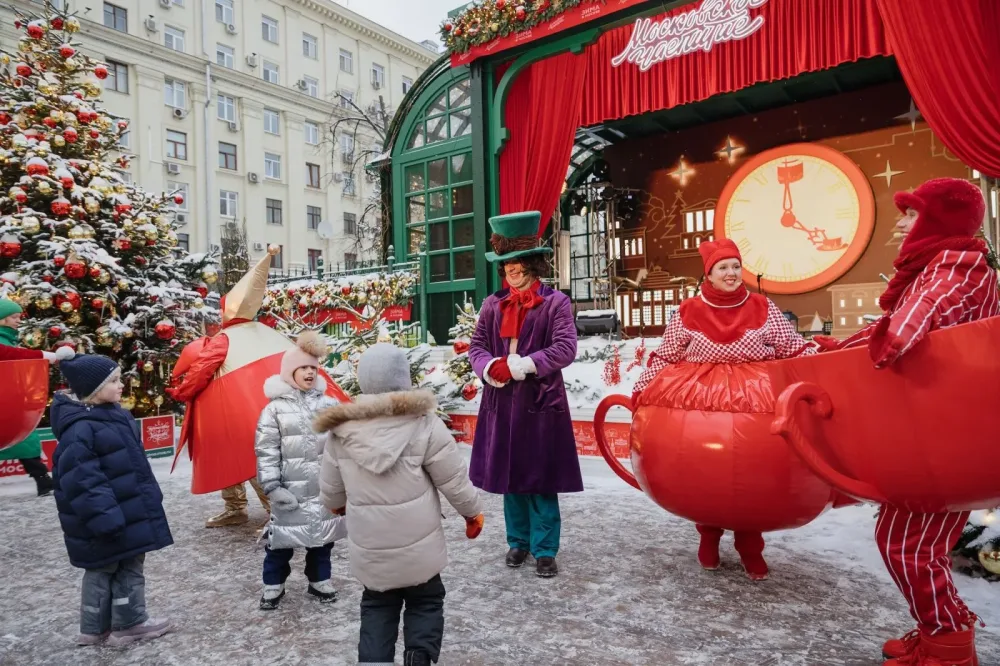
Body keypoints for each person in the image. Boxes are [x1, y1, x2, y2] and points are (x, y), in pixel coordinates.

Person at [816, 178, 997, 666]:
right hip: (943, 428)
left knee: (908, 544)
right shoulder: (949, 267)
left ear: (936, 221)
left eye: (910, 214)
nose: (898, 224)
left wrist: (862, 354)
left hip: (945, 434)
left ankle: (950, 648)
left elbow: (900, 335)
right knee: (908, 541)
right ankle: (943, 633)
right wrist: (837, 351)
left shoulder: (952, 269)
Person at [631, 238, 814, 581]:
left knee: (755, 473)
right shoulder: (688, 310)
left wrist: (820, 376)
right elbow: (668, 354)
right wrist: (642, 387)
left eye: (735, 266)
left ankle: (750, 546)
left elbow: (793, 347)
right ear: (709, 276)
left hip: (759, 394)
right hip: (698, 396)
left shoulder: (762, 306)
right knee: (705, 472)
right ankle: (709, 537)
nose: (731, 274)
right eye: (722, 268)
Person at [315, 343, 484, 666]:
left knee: (378, 604)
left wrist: (337, 507)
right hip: (420, 546)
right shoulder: (424, 423)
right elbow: (453, 479)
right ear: (404, 379)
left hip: (372, 546)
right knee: (426, 599)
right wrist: (471, 513)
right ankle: (418, 655)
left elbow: (331, 490)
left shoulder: (342, 432)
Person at [167, 247, 348, 527]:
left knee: (243, 457)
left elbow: (201, 372)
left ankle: (271, 510)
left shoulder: (223, 339)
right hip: (264, 407)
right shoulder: (267, 332)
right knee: (241, 456)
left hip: (235, 413)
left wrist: (181, 392)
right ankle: (245, 507)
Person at [467, 211, 582, 578]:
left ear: (533, 262)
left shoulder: (555, 303)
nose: (512, 270)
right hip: (501, 403)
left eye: (518, 263)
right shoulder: (491, 304)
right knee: (510, 477)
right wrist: (488, 368)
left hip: (540, 402)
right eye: (506, 264)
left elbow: (565, 348)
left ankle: (546, 548)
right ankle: (518, 541)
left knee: (541, 479)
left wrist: (520, 365)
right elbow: (477, 347)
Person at [50, 354, 172, 647]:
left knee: (105, 566)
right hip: (110, 516)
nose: (122, 386)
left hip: (122, 510)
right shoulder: (83, 427)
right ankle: (129, 623)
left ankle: (95, 628)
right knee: (121, 566)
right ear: (92, 390)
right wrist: (105, 517)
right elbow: (82, 479)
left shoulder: (111, 415)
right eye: (114, 381)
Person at [255, 330, 346, 610]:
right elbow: (266, 451)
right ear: (289, 373)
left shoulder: (329, 405)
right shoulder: (274, 410)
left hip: (322, 489)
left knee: (321, 540)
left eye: (312, 368)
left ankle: (319, 580)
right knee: (280, 542)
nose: (308, 373)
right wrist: (272, 487)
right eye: (302, 368)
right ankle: (274, 583)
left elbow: (343, 444)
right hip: (289, 491)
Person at [0, 297, 74, 496]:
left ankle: (43, 479)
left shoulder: (8, 339)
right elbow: (9, 354)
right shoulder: (3, 342)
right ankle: (43, 479)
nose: (18, 321)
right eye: (14, 317)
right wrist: (45, 356)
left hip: (8, 400)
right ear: (2, 320)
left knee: (23, 438)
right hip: (4, 401)